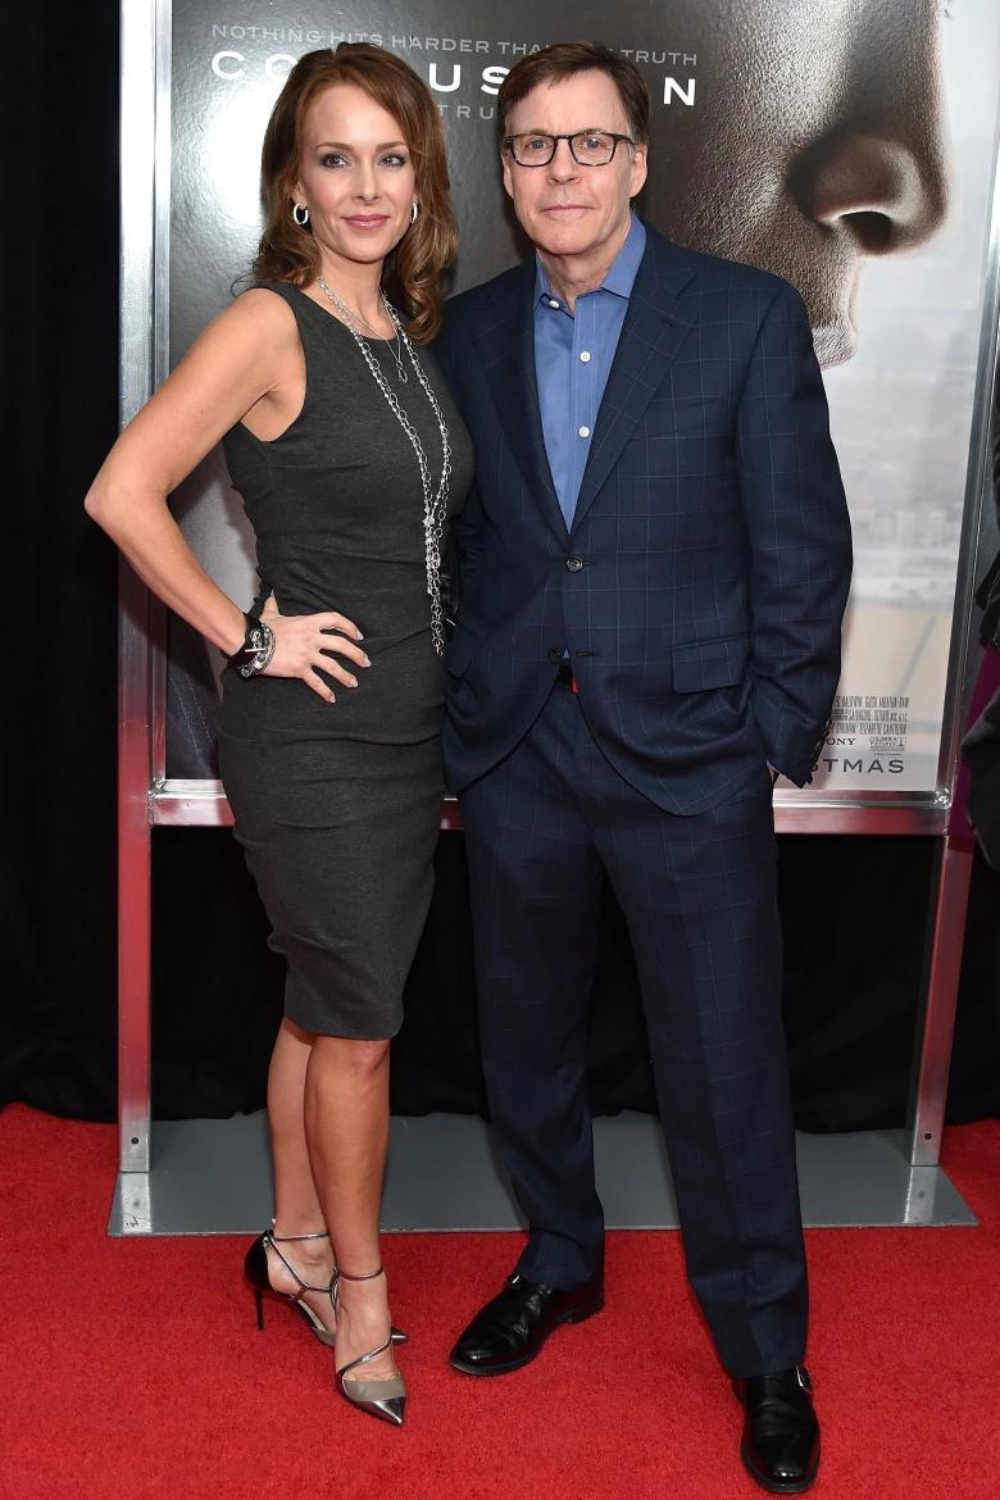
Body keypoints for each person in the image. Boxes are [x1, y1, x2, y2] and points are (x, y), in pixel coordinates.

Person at [436, 42, 852, 1494]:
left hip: (692, 758)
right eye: (536, 147)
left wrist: (769, 731)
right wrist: (466, 711)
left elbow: (804, 545)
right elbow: (474, 541)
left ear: (641, 158)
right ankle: (559, 1261)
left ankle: (765, 1351)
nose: (565, 171)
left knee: (724, 1067)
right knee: (525, 1037)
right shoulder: (467, 330)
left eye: (592, 144)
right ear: (504, 168)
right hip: (520, 754)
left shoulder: (742, 318)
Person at [86, 43, 472, 1427]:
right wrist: (249, 630)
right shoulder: (270, 321)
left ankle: (295, 1244)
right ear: (295, 183)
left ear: (420, 175)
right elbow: (123, 491)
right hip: (307, 736)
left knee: (325, 1002)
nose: (365, 185)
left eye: (390, 156)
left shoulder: (405, 335)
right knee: (364, 1026)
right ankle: (359, 1297)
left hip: (408, 725)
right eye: (335, 157)